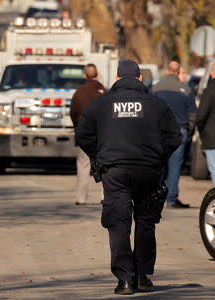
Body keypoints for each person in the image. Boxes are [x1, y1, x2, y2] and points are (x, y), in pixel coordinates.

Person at [76, 60, 181, 294]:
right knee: (145, 221)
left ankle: (124, 280)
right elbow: (174, 137)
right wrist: (158, 156)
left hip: (115, 171)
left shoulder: (101, 104)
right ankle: (142, 276)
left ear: (116, 79)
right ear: (140, 79)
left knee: (118, 223)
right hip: (148, 171)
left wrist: (99, 155)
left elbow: (83, 134)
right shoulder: (157, 104)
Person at [153, 61, 196, 208]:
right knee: (174, 166)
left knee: (158, 165)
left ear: (166, 72)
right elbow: (192, 114)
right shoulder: (186, 90)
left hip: (159, 132)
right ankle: (171, 199)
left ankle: (156, 196)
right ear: (178, 72)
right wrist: (189, 130)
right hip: (179, 131)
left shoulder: (155, 88)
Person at [70, 64, 107, 206]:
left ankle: (81, 198)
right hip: (102, 135)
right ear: (97, 73)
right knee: (104, 166)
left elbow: (73, 113)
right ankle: (107, 196)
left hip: (84, 135)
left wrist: (78, 128)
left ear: (85, 75)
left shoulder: (78, 93)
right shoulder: (104, 91)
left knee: (83, 165)